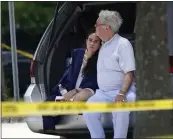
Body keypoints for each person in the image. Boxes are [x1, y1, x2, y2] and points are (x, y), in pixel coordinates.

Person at [83, 10, 136, 138]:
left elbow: (129, 72)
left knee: (120, 110)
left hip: (123, 91)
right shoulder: (103, 44)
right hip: (103, 93)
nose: (95, 27)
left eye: (97, 24)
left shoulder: (123, 44)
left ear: (107, 27)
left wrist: (122, 93)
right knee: (89, 110)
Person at [43, 31, 101, 130]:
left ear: (100, 45)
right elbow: (67, 77)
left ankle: (63, 107)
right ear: (86, 41)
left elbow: (95, 82)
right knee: (48, 103)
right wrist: (66, 92)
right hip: (71, 91)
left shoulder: (101, 59)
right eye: (90, 40)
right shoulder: (78, 55)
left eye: (96, 42)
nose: (92, 43)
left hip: (88, 91)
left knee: (81, 96)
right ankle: (52, 126)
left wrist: (76, 91)